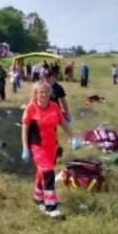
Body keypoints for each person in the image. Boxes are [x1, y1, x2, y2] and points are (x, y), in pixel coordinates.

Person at [21, 81, 80, 219]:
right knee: (48, 173)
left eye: (47, 92)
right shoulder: (31, 109)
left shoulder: (54, 107)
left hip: (52, 146)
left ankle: (38, 198)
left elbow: (63, 122)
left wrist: (73, 137)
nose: (44, 95)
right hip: (37, 146)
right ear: (35, 94)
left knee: (42, 173)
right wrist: (25, 147)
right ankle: (51, 208)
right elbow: (25, 128)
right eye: (41, 92)